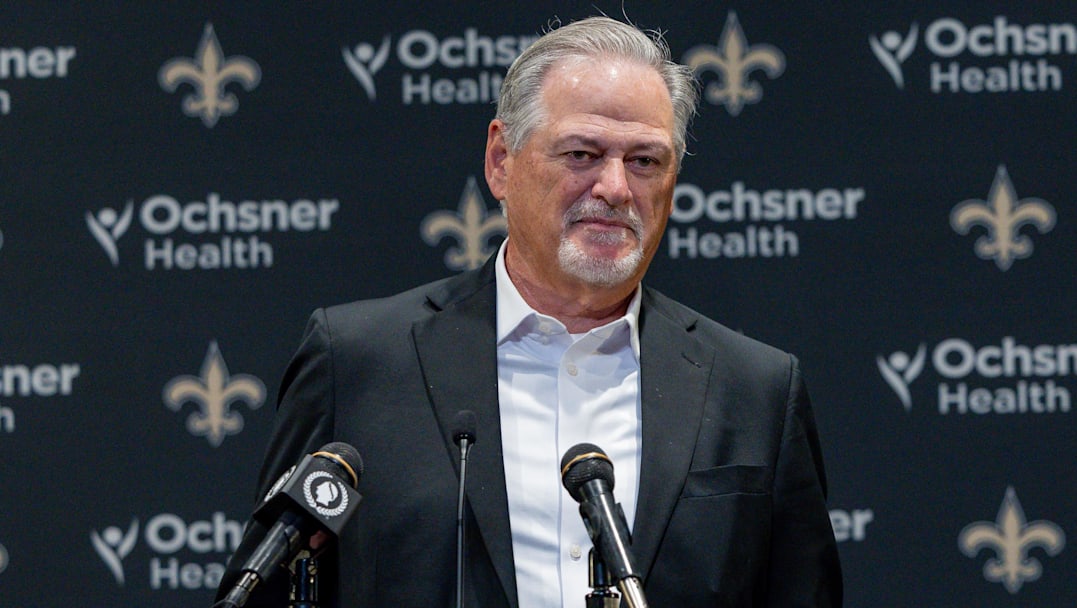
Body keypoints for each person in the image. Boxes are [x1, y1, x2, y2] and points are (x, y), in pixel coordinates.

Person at [217, 15, 842, 607]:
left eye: (645, 161)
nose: (616, 189)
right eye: (581, 154)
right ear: (501, 161)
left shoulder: (756, 390)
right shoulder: (357, 361)